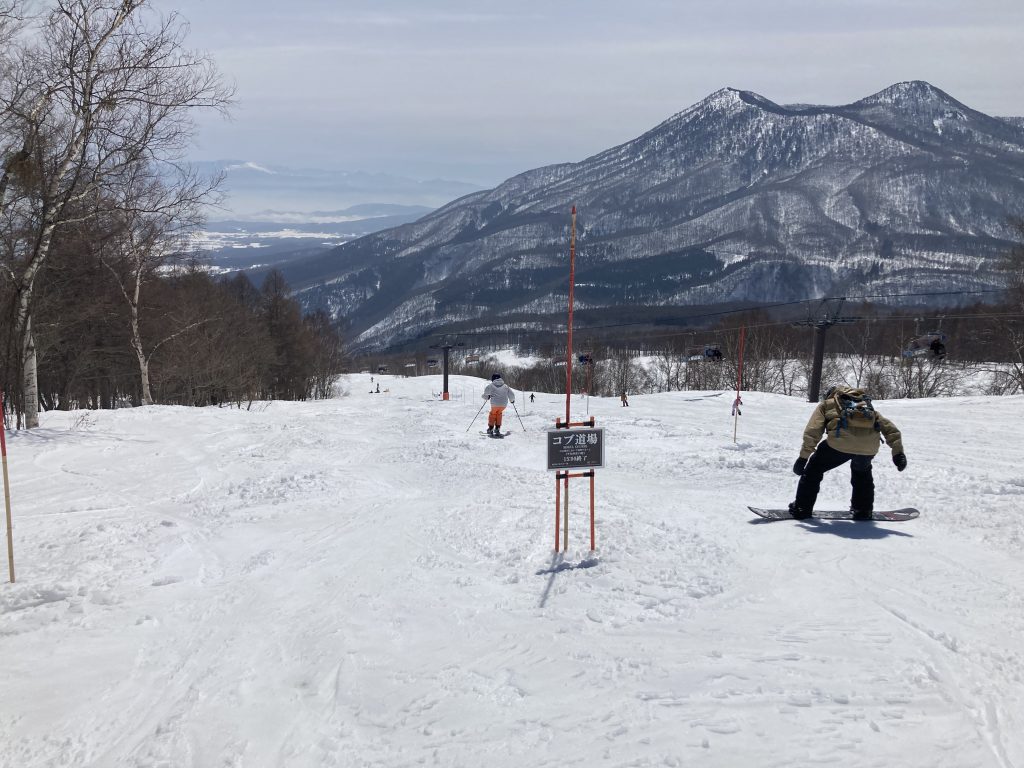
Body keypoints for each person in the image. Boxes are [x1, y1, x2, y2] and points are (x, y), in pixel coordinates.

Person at [789, 386, 907, 520]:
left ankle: (801, 508)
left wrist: (803, 458)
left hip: (839, 444)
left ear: (831, 395)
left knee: (814, 470)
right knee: (862, 472)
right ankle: (863, 510)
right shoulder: (865, 405)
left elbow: (813, 431)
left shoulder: (827, 404)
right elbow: (890, 429)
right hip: (869, 447)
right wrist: (898, 453)